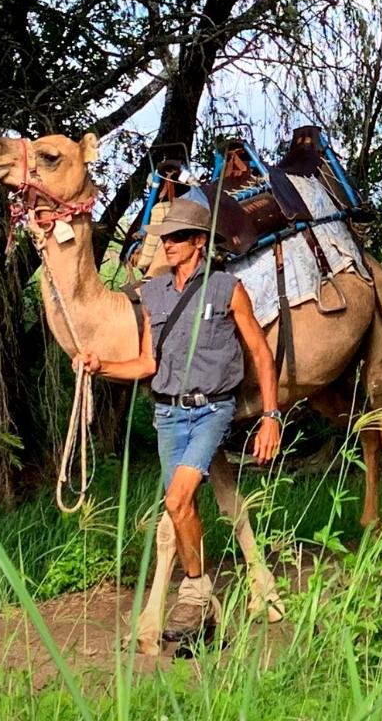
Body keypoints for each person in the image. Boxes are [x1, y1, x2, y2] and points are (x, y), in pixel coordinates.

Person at [74, 197, 282, 634]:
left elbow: (262, 354)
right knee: (182, 508)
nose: (168, 244)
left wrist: (270, 416)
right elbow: (147, 365)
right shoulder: (153, 295)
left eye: (178, 237)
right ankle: (204, 608)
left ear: (199, 243)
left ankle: (191, 595)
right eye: (165, 237)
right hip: (167, 415)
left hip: (211, 411)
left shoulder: (228, 289)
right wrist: (101, 367)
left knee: (175, 499)